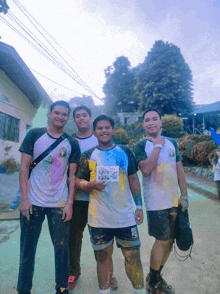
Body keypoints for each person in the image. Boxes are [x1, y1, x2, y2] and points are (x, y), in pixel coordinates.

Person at [75, 115, 146, 294]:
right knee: (103, 257)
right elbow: (77, 181)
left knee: (133, 257)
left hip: (125, 217)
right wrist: (91, 185)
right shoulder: (88, 155)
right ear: (94, 132)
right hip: (99, 219)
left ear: (113, 130)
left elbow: (133, 180)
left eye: (107, 127)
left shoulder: (125, 151)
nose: (104, 130)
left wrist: (139, 205)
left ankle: (139, 291)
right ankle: (104, 291)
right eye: (100, 128)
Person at [17, 100, 81, 294]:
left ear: (67, 117)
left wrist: (69, 204)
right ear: (50, 113)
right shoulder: (34, 135)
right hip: (33, 202)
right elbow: (24, 167)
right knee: (27, 251)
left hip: (59, 204)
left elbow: (72, 176)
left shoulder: (71, 142)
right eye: (57, 113)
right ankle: (24, 290)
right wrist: (24, 199)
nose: (60, 117)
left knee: (62, 252)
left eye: (64, 114)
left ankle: (61, 290)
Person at [134, 109, 189, 294]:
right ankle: (153, 281)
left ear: (160, 122)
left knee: (171, 241)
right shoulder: (141, 145)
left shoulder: (172, 143)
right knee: (163, 240)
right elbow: (146, 170)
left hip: (174, 201)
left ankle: (156, 277)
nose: (151, 123)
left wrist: (185, 196)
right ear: (143, 124)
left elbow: (179, 171)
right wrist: (157, 145)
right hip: (156, 202)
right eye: (147, 120)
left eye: (154, 119)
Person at [68, 106, 118, 293]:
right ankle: (73, 272)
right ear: (74, 121)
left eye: (84, 115)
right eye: (77, 116)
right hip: (77, 199)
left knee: (103, 239)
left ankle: (108, 273)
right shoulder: (70, 141)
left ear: (90, 118)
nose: (81, 119)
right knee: (74, 238)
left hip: (99, 199)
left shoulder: (100, 138)